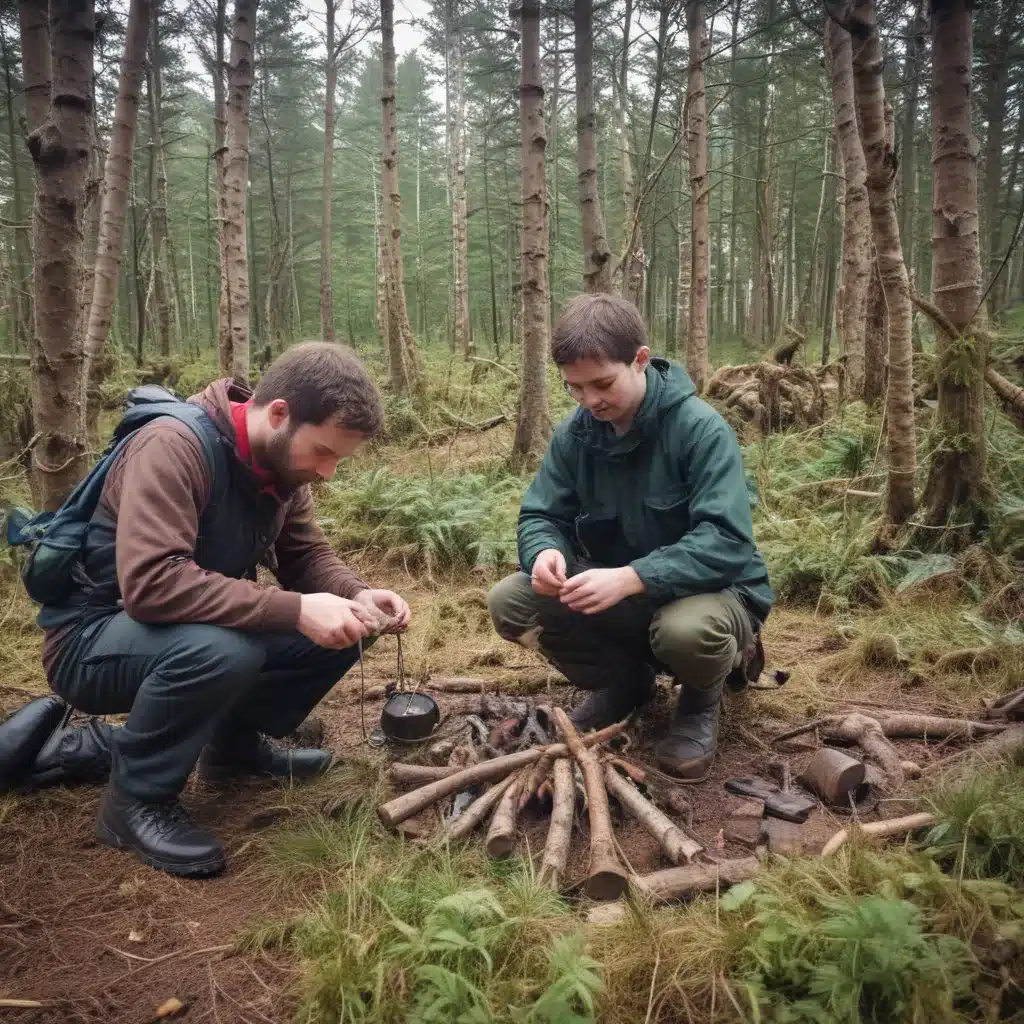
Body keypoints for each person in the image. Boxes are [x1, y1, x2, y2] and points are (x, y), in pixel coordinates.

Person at [38, 342, 410, 878]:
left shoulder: (282, 467)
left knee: (350, 623)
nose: (328, 472)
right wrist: (295, 609)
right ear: (279, 413)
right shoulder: (172, 445)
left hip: (185, 630)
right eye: (324, 452)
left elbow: (305, 556)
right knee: (224, 649)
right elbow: (151, 583)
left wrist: (356, 595)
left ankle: (232, 748)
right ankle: (133, 803)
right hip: (93, 638)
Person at [488, 294, 774, 782]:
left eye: (602, 384)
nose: (589, 400)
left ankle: (702, 700)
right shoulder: (576, 435)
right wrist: (545, 552)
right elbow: (540, 513)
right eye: (574, 388)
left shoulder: (700, 430)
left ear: (640, 360)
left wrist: (634, 576)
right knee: (513, 601)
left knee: (687, 631)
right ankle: (625, 684)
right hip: (619, 595)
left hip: (712, 595)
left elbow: (727, 540)